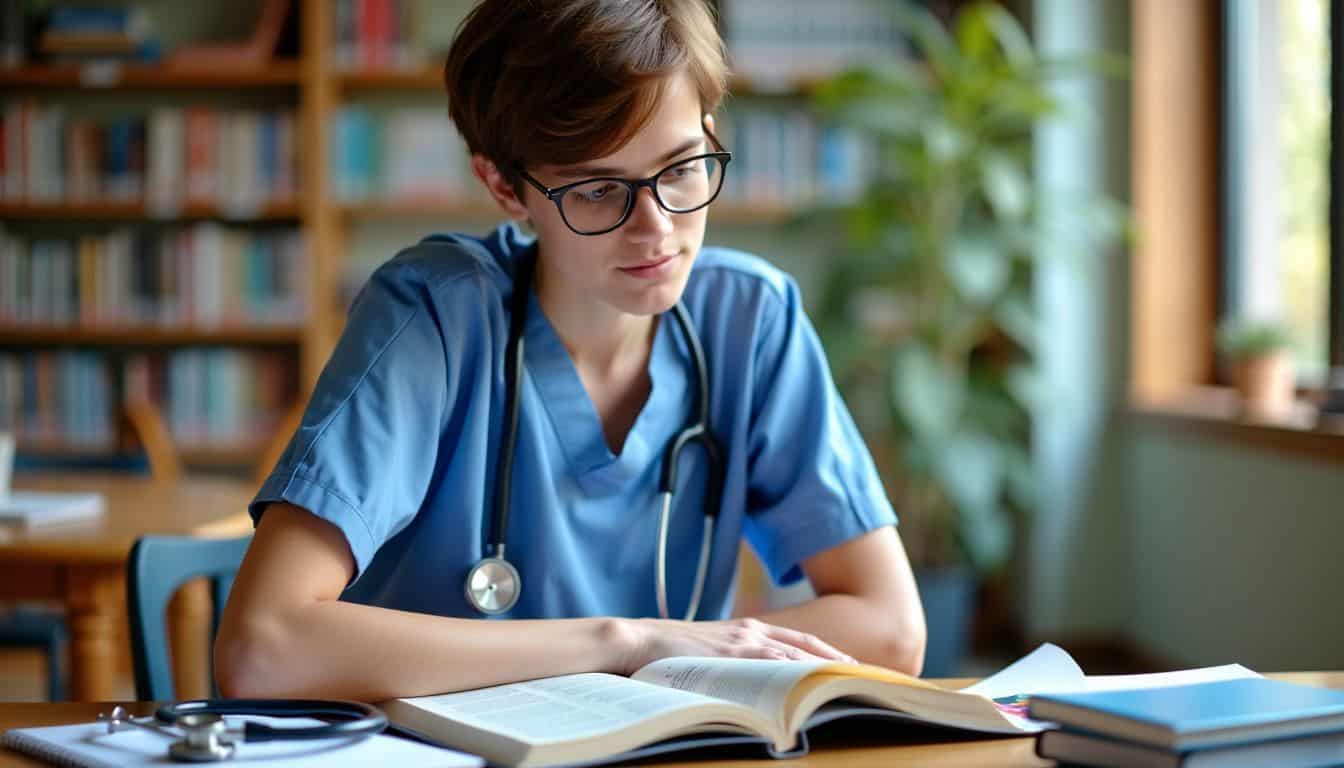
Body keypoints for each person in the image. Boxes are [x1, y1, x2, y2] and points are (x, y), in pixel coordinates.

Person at [215, 0, 926, 702]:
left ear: (710, 134)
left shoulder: (749, 320)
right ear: (504, 185)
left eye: (681, 168)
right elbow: (261, 646)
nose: (655, 230)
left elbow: (891, 630)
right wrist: (627, 644)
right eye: (596, 188)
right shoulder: (436, 315)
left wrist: (693, 649)